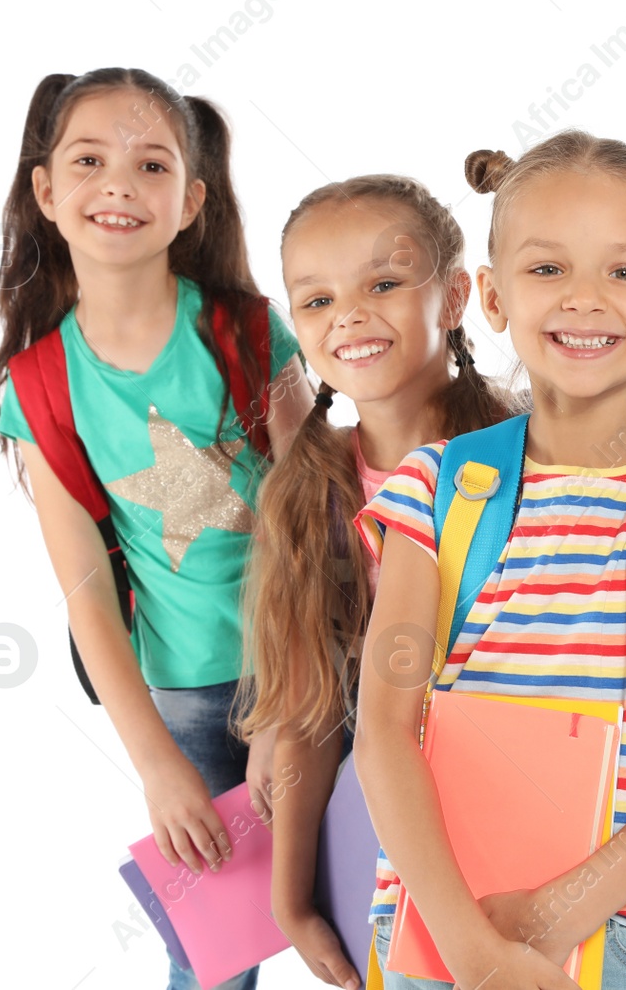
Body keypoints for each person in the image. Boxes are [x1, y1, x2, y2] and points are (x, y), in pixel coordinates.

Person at [355, 130, 626, 990]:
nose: (584, 300)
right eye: (548, 268)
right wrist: (477, 951)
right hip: (446, 927)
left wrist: (555, 914)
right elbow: (383, 734)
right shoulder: (436, 490)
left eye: (625, 272)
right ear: (489, 294)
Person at [0, 68, 309, 990]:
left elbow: (315, 521)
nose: (117, 184)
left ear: (190, 203)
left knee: (368, 913)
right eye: (88, 160)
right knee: (211, 954)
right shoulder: (38, 386)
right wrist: (159, 765)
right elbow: (87, 593)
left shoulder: (250, 333)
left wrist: (291, 705)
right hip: (187, 697)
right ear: (46, 192)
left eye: (150, 164)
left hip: (315, 671)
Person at [242, 175, 516, 988]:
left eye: (384, 284)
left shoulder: (522, 455)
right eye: (317, 300)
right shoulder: (310, 486)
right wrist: (290, 900)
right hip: (387, 838)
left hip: (524, 823)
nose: (349, 316)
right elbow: (309, 703)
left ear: (458, 295)